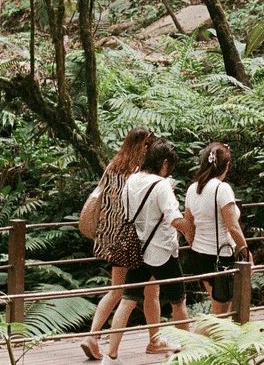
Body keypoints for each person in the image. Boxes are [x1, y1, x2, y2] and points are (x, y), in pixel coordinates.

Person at [102, 140, 193, 362]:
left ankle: (111, 355)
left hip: (137, 250)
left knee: (128, 300)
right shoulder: (161, 186)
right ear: (164, 163)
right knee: (178, 302)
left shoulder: (130, 180)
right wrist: (191, 233)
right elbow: (175, 220)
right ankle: (191, 351)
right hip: (162, 253)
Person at [80, 128, 151, 360]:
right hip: (130, 239)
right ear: (142, 146)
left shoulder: (113, 167)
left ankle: (93, 336)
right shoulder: (138, 172)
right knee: (127, 292)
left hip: (111, 236)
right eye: (148, 145)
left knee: (120, 290)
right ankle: (100, 339)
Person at [182, 142, 250, 321]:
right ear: (226, 166)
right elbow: (233, 227)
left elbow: (188, 225)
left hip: (200, 254)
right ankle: (198, 343)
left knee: (217, 307)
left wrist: (192, 242)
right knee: (220, 314)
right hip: (221, 257)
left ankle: (209, 344)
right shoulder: (222, 189)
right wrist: (246, 252)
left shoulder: (192, 188)